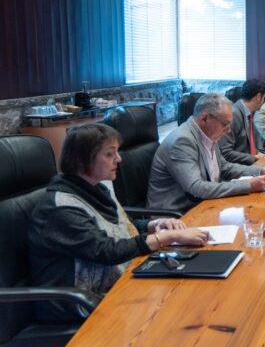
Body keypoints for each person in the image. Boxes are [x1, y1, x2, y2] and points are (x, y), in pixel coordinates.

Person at [29, 124, 209, 323]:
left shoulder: (94, 190)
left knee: (188, 296)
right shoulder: (61, 209)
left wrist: (154, 225)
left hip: (113, 285)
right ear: (83, 160)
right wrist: (167, 237)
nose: (119, 159)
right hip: (79, 303)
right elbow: (106, 250)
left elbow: (120, 226)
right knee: (174, 313)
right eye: (109, 154)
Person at [148, 93, 265, 213]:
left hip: (205, 204)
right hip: (177, 215)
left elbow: (224, 167)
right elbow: (197, 188)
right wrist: (248, 185)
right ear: (205, 118)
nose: (228, 130)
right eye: (225, 124)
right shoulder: (182, 141)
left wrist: (259, 171)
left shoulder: (208, 133)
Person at [218, 79, 265, 165]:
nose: (264, 102)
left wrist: (258, 153)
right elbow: (225, 152)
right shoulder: (233, 114)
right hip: (237, 169)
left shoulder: (250, 113)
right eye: (264, 98)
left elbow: (250, 144)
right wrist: (253, 158)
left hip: (251, 164)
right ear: (258, 97)